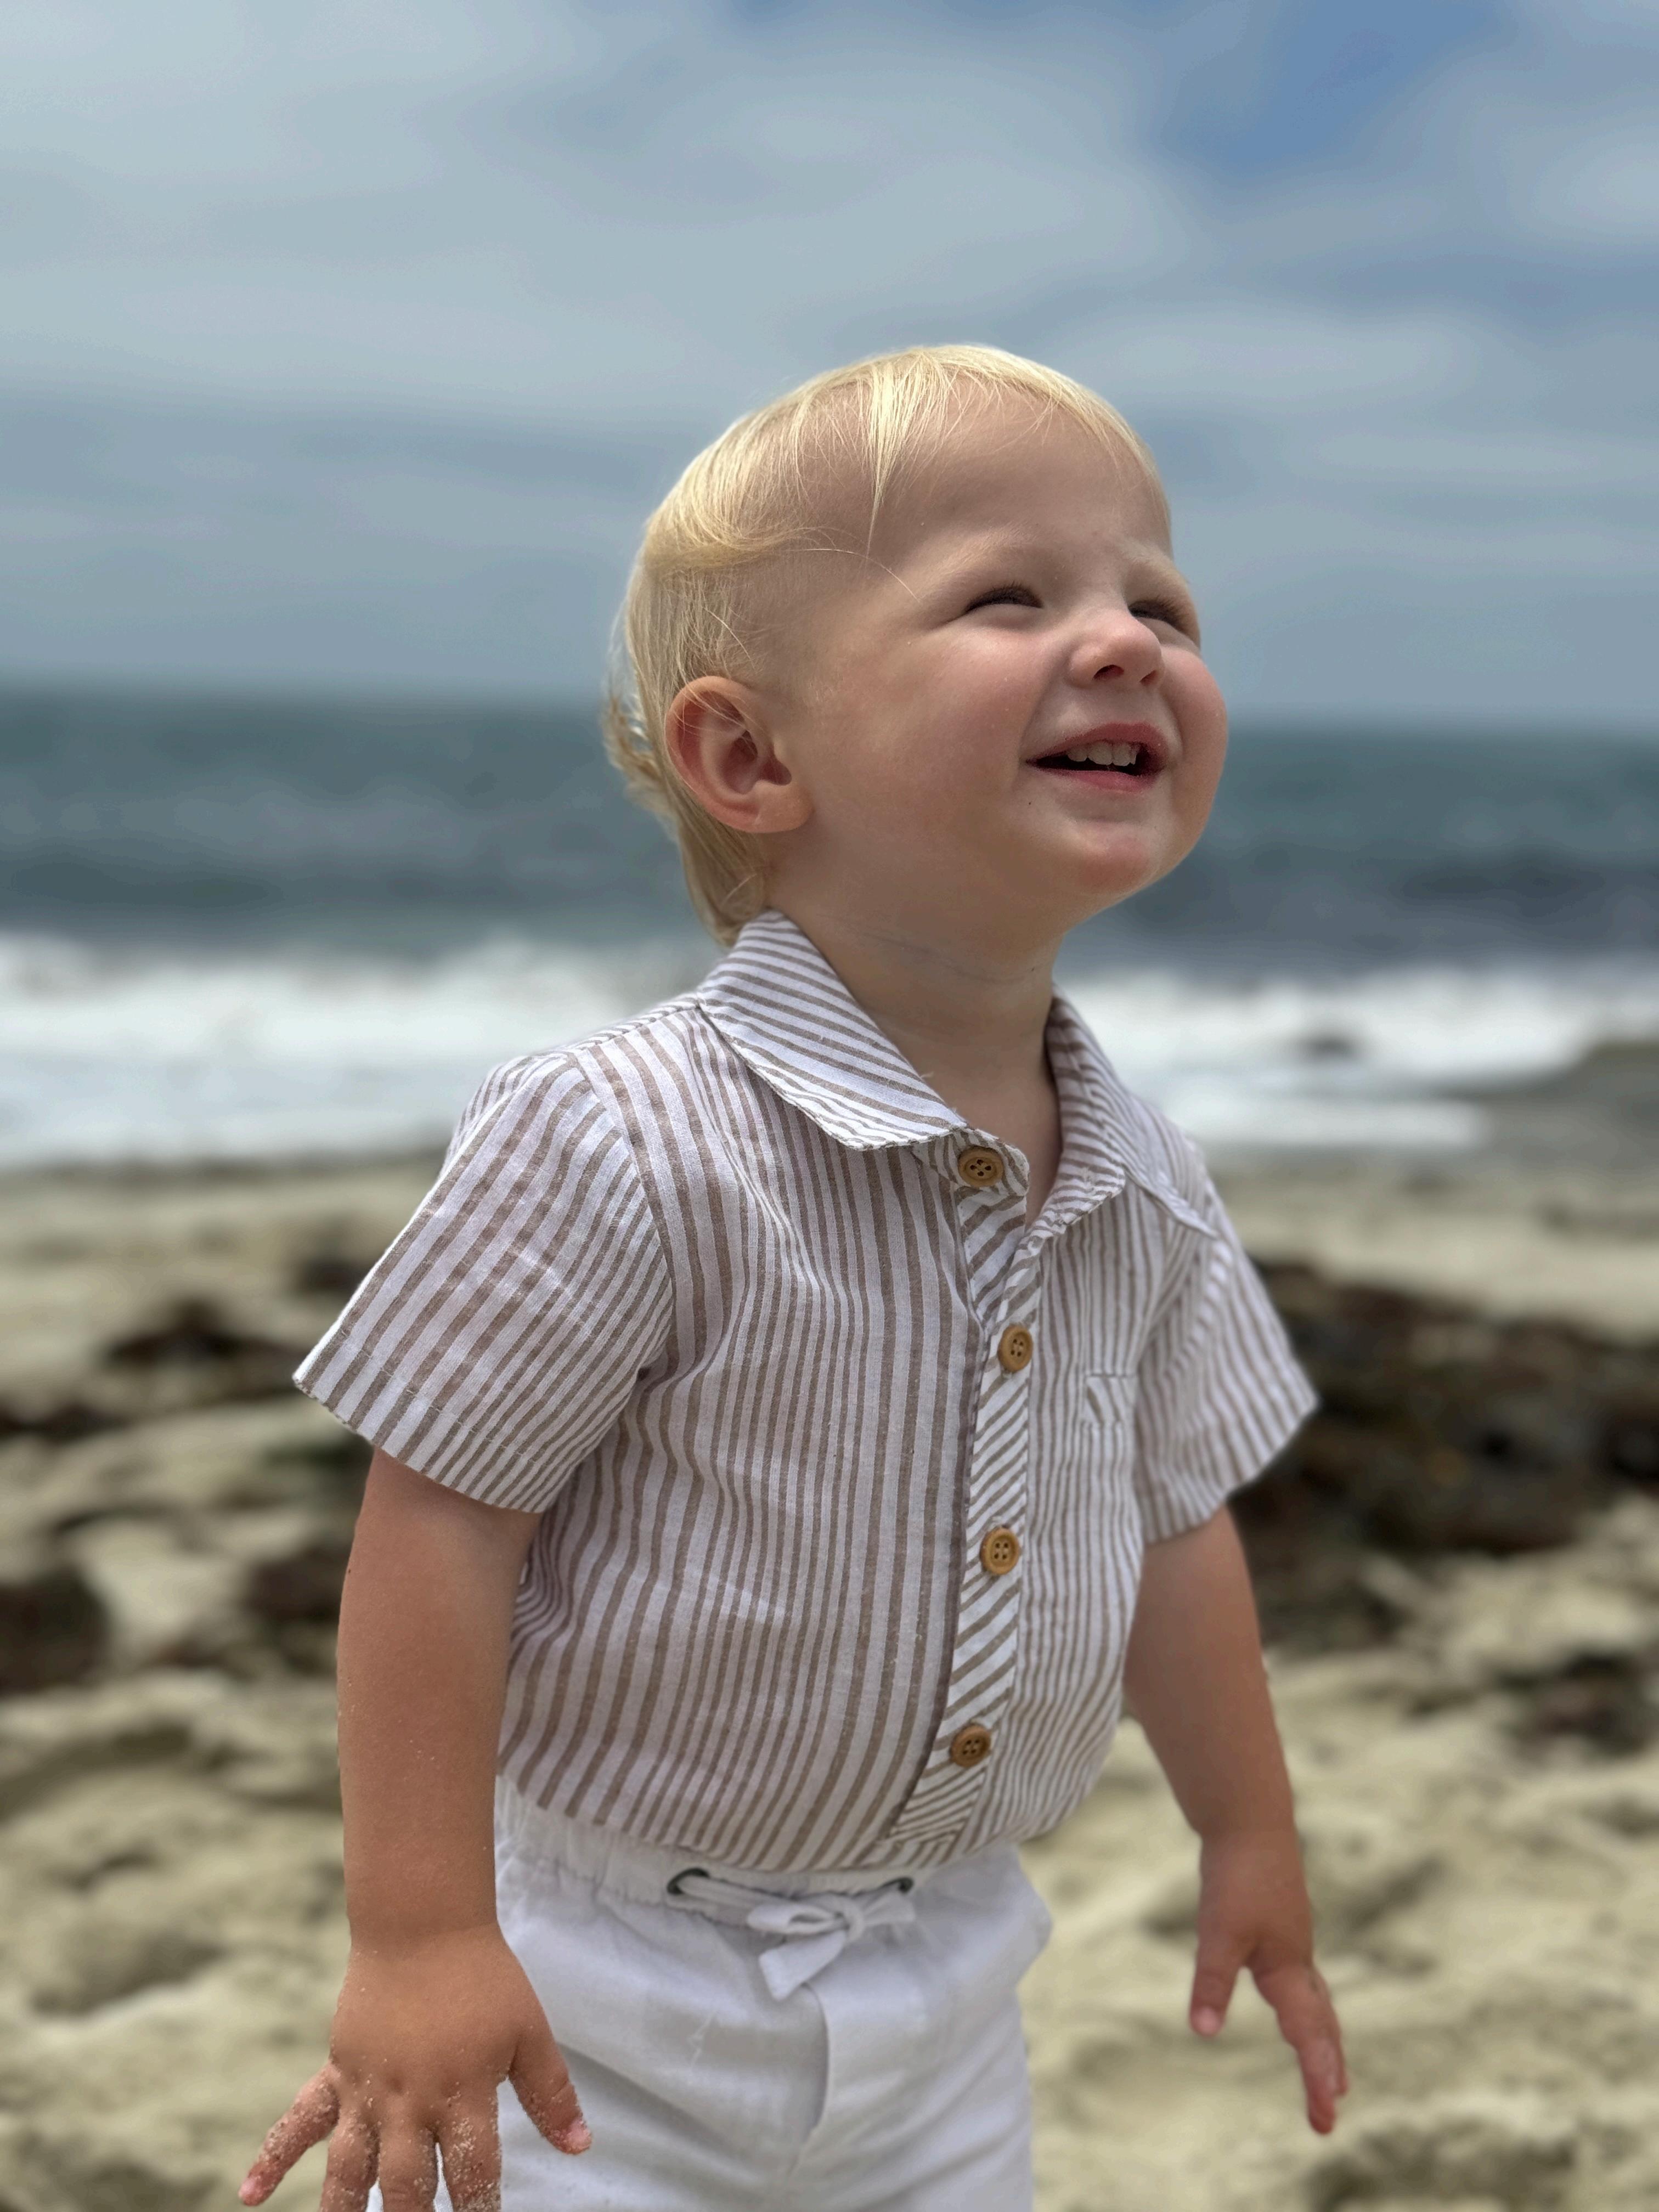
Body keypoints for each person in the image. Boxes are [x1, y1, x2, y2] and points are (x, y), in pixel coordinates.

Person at [240, 344, 1346, 2212]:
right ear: (753, 759)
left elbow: (1177, 1524)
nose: (1124, 641)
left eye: (1160, 604)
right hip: (596, 1985)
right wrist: (420, 1936)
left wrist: (1250, 1833)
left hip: (952, 1979)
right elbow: (440, 1522)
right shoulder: (622, 1134)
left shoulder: (1148, 1175)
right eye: (1010, 597)